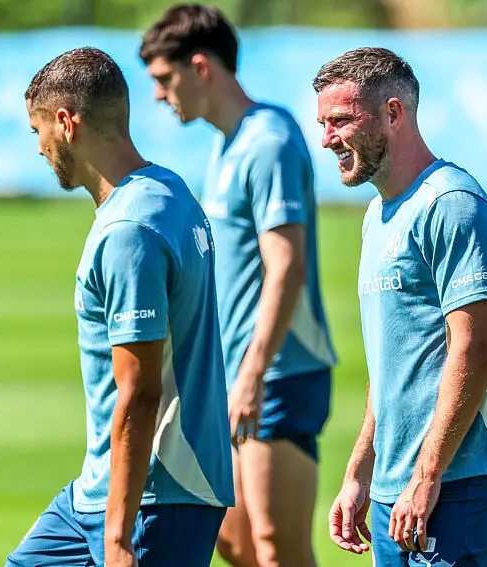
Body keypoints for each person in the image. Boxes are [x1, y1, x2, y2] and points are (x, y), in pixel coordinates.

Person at [8, 47, 233, 567]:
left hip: (155, 495)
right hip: (99, 491)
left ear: (66, 123)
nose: (39, 147)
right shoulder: (168, 189)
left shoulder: (130, 230)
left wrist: (118, 536)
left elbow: (140, 391)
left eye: (38, 130)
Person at [315, 47, 487, 566]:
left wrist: (427, 475)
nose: (327, 139)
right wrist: (362, 467)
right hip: (397, 484)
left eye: (340, 121)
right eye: (323, 124)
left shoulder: (452, 204)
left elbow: (475, 348)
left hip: (458, 479)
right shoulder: (377, 215)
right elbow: (392, 359)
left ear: (393, 113)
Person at [139, 5, 337, 567]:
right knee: (231, 540)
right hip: (229, 371)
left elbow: (286, 266)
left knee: (277, 547)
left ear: (200, 67)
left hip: (277, 372)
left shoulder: (270, 141)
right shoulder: (226, 142)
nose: (158, 94)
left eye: (164, 78)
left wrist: (252, 373)